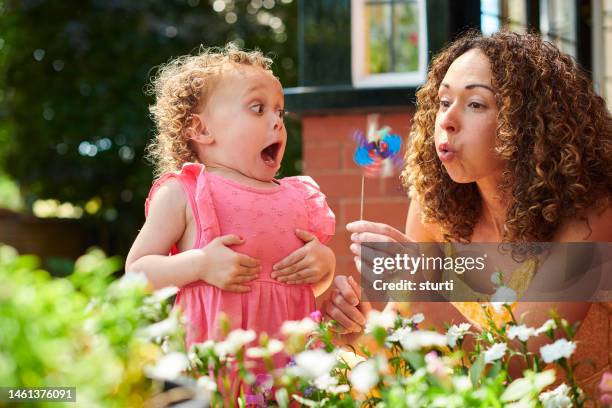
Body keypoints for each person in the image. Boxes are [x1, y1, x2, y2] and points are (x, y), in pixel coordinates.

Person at [325, 30, 612, 397]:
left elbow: (522, 364)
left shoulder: (589, 214)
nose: (447, 121)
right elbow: (409, 342)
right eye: (443, 102)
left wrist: (420, 289)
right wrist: (359, 332)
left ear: (527, 123)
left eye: (475, 104)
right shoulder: (435, 209)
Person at [125, 45, 336, 395]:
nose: (277, 120)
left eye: (280, 111)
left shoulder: (300, 198)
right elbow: (136, 274)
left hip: (289, 375)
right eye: (258, 108)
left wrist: (324, 265)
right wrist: (200, 264)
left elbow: (306, 287)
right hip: (213, 375)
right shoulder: (187, 192)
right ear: (201, 129)